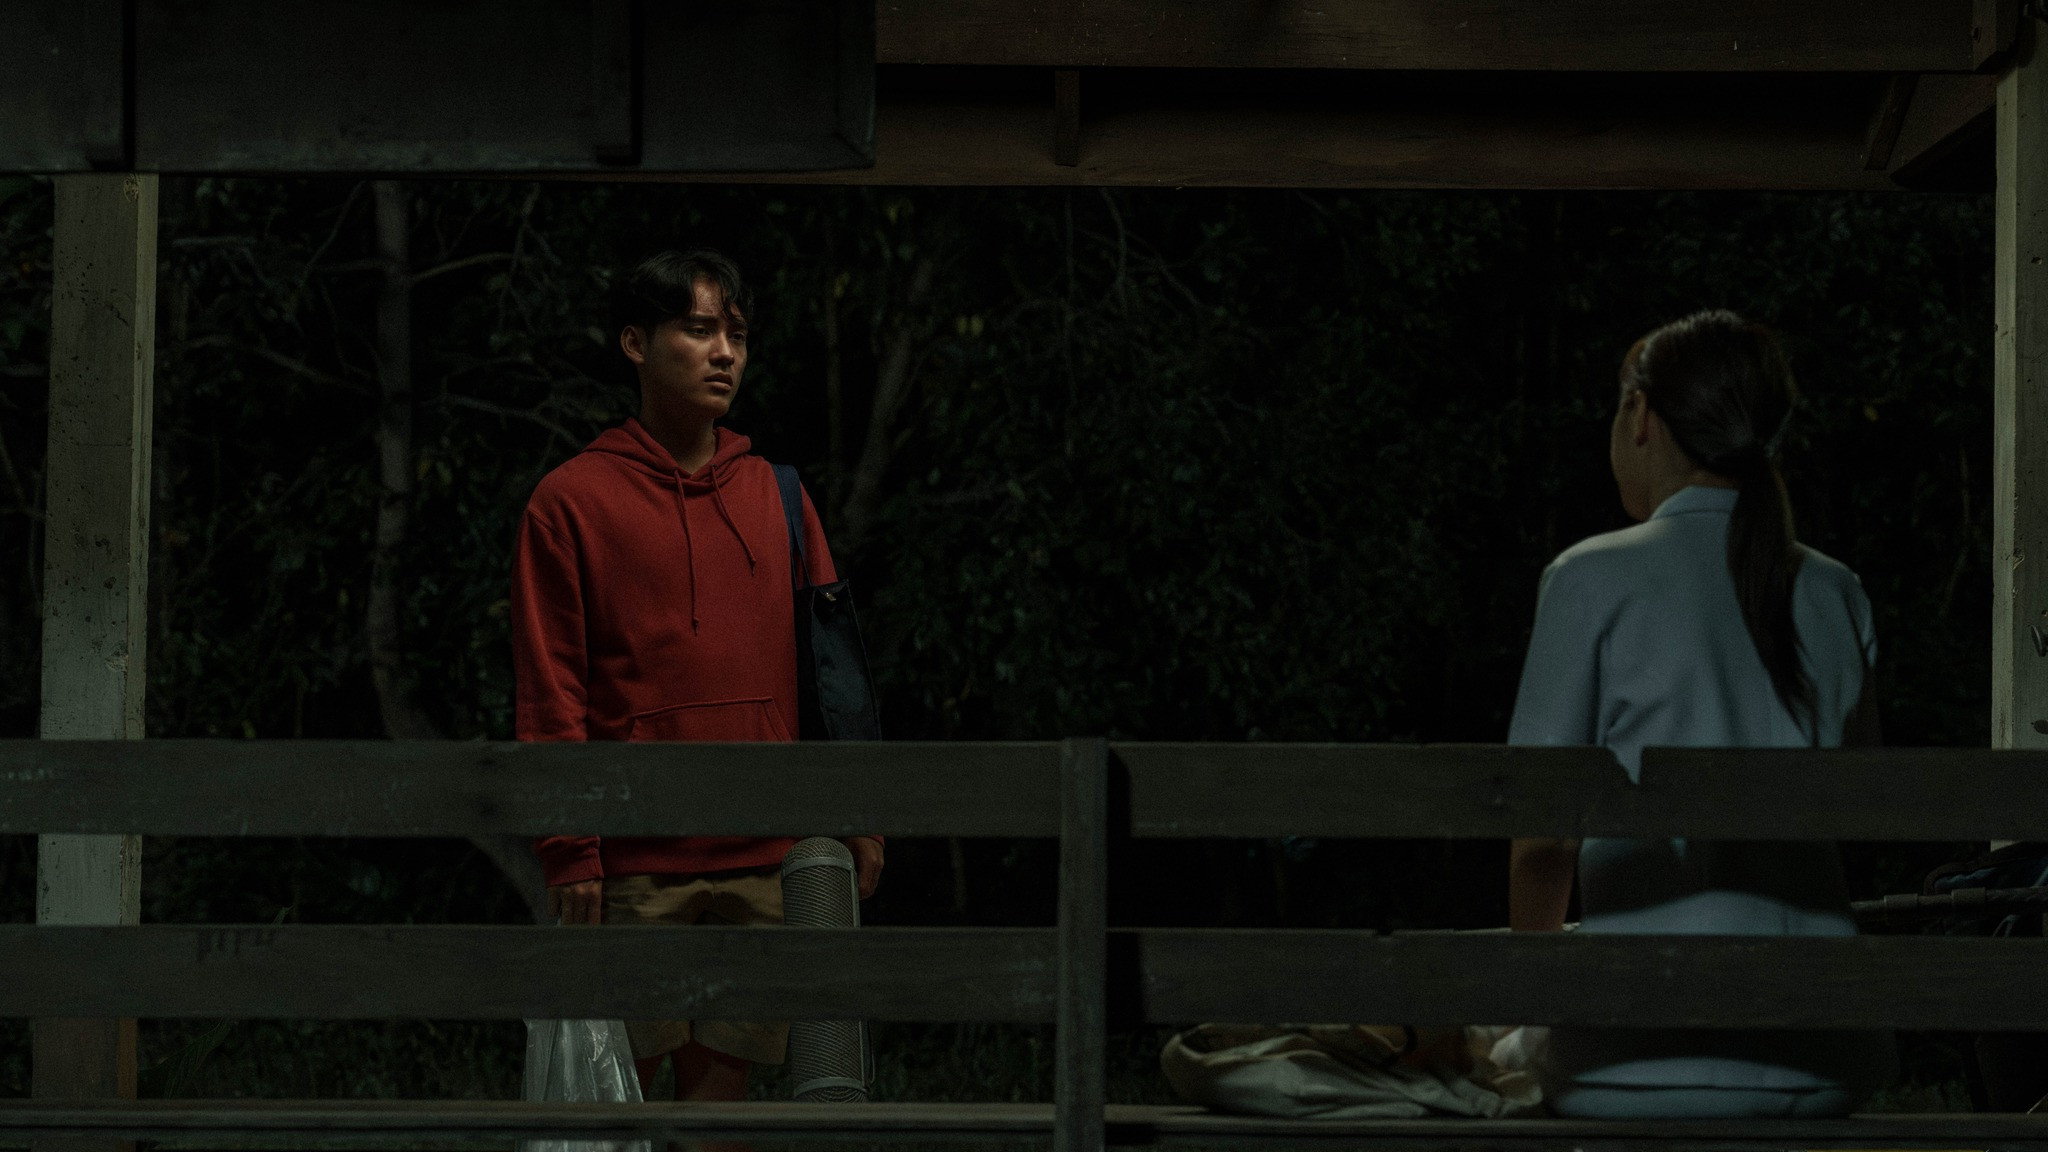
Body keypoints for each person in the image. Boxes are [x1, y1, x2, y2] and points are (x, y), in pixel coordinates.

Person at [511, 248, 884, 1104]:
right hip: (633, 863)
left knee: (722, 1118)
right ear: (636, 343)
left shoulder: (779, 496)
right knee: (623, 1114)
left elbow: (835, 677)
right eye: (700, 329)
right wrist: (571, 850)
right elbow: (552, 691)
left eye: (737, 336)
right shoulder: (569, 502)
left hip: (762, 855)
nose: (725, 354)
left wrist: (858, 812)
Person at [1505, 309, 1889, 1118]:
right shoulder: (1837, 593)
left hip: (1633, 1067)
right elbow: (1863, 806)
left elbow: (1541, 840)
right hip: (1821, 1061)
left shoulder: (1588, 579)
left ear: (1641, 413)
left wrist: (1534, 997)